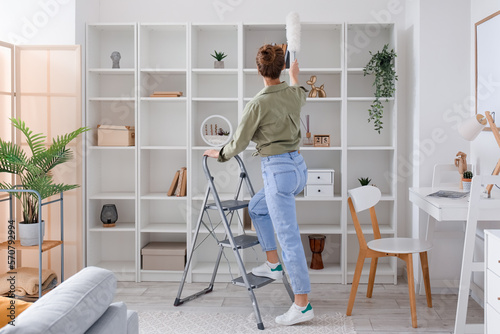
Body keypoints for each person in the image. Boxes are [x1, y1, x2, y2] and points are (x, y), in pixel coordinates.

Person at [204, 44, 313, 326]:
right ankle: (273, 264)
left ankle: (302, 305)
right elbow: (301, 92)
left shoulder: (258, 103)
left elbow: (239, 142)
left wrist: (221, 153)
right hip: (298, 170)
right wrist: (294, 76)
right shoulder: (293, 93)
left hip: (278, 172)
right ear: (282, 69)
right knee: (257, 208)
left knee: (289, 238)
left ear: (258, 70)